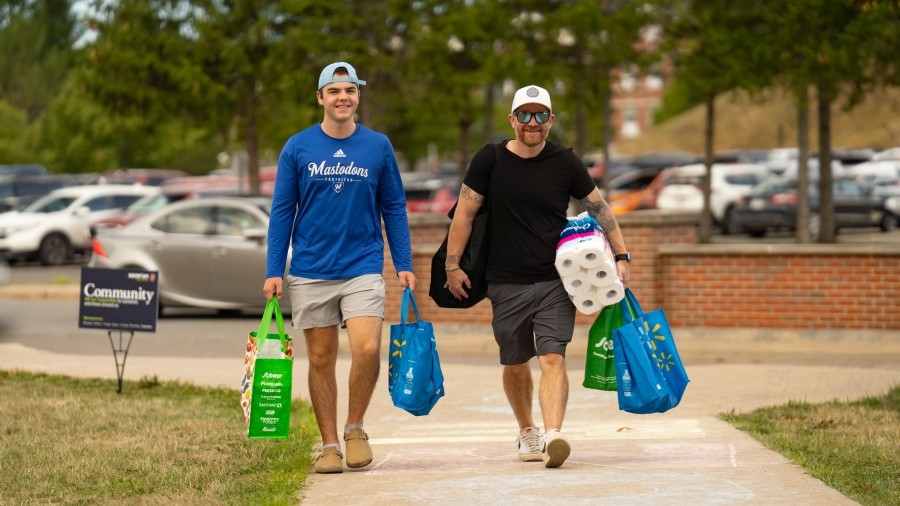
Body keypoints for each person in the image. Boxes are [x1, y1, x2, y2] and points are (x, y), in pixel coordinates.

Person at [443, 84, 631, 468]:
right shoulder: (490, 159)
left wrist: (622, 254)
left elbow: (599, 208)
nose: (533, 123)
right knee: (514, 362)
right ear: (512, 119)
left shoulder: (565, 162)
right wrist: (452, 264)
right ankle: (527, 429)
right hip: (505, 280)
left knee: (552, 357)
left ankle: (553, 434)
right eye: (525, 115)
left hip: (555, 279)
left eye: (540, 115)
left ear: (551, 121)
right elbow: (463, 212)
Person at [263, 62, 417, 474]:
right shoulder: (297, 147)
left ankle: (355, 429)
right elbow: (282, 211)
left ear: (358, 97)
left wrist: (403, 262)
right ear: (320, 98)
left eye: (350, 90)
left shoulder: (378, 146)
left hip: (362, 264)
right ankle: (329, 443)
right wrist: (274, 269)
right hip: (311, 267)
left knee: (367, 348)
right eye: (334, 91)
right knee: (321, 358)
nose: (343, 97)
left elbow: (394, 207)